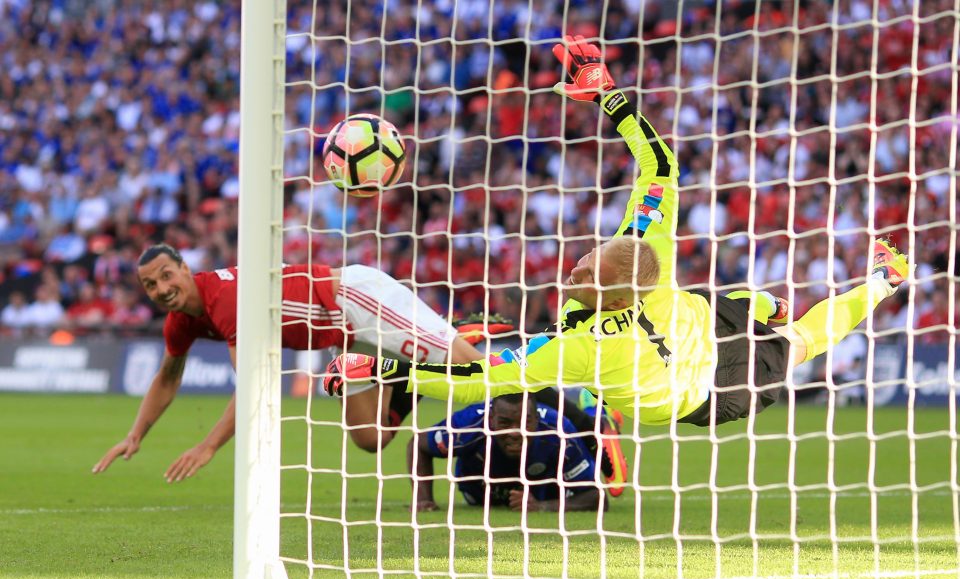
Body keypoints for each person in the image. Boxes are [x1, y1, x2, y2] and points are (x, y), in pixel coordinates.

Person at [324, 36, 911, 434]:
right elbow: (660, 168)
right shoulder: (642, 254)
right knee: (786, 335)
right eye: (590, 258)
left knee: (795, 337)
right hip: (700, 361)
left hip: (701, 359)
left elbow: (482, 381)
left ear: (614, 291)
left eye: (587, 271)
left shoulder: (576, 346)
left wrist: (392, 372)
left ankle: (883, 281)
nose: (577, 266)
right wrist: (608, 94)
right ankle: (800, 296)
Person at [92, 243, 623, 484]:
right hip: (348, 341)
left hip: (352, 300)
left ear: (186, 267)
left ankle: (579, 404)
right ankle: (413, 373)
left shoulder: (223, 300)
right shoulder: (182, 321)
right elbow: (168, 376)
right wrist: (136, 434)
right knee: (371, 440)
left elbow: (256, 383)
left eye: (168, 275)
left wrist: (208, 446)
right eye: (150, 284)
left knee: (477, 374)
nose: (162, 288)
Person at [408, 393, 606, 513]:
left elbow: (597, 497)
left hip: (543, 496)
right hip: (479, 498)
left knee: (596, 432)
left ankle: (599, 416)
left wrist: (543, 506)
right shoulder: (468, 425)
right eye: (504, 423)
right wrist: (423, 500)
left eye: (523, 423)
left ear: (536, 419)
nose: (514, 432)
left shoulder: (558, 430)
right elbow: (418, 443)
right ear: (491, 418)